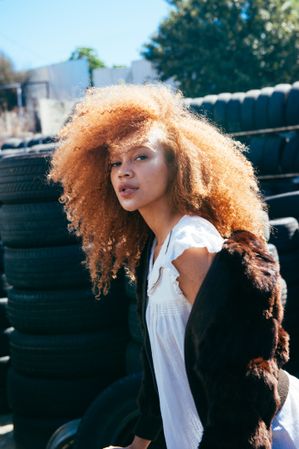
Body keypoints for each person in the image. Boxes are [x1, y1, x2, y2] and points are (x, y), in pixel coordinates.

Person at [48, 84, 299, 449]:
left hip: (265, 431)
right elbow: (156, 370)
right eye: (116, 163)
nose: (123, 172)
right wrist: (137, 445)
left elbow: (242, 373)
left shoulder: (189, 244)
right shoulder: (153, 252)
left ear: (176, 165)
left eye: (140, 157)